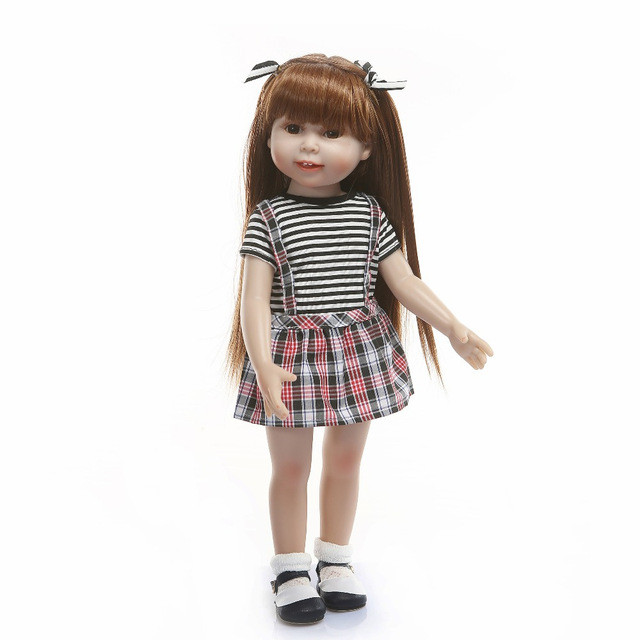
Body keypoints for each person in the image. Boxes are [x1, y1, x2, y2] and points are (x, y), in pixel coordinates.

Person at [224, 54, 494, 625]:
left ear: (367, 147)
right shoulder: (268, 218)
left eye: (332, 133)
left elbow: (403, 281)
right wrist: (262, 361)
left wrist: (452, 327)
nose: (309, 146)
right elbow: (253, 299)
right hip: (291, 355)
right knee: (291, 467)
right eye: (293, 127)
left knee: (346, 460)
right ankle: (290, 568)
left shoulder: (369, 214)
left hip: (357, 350)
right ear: (267, 135)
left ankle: (336, 559)